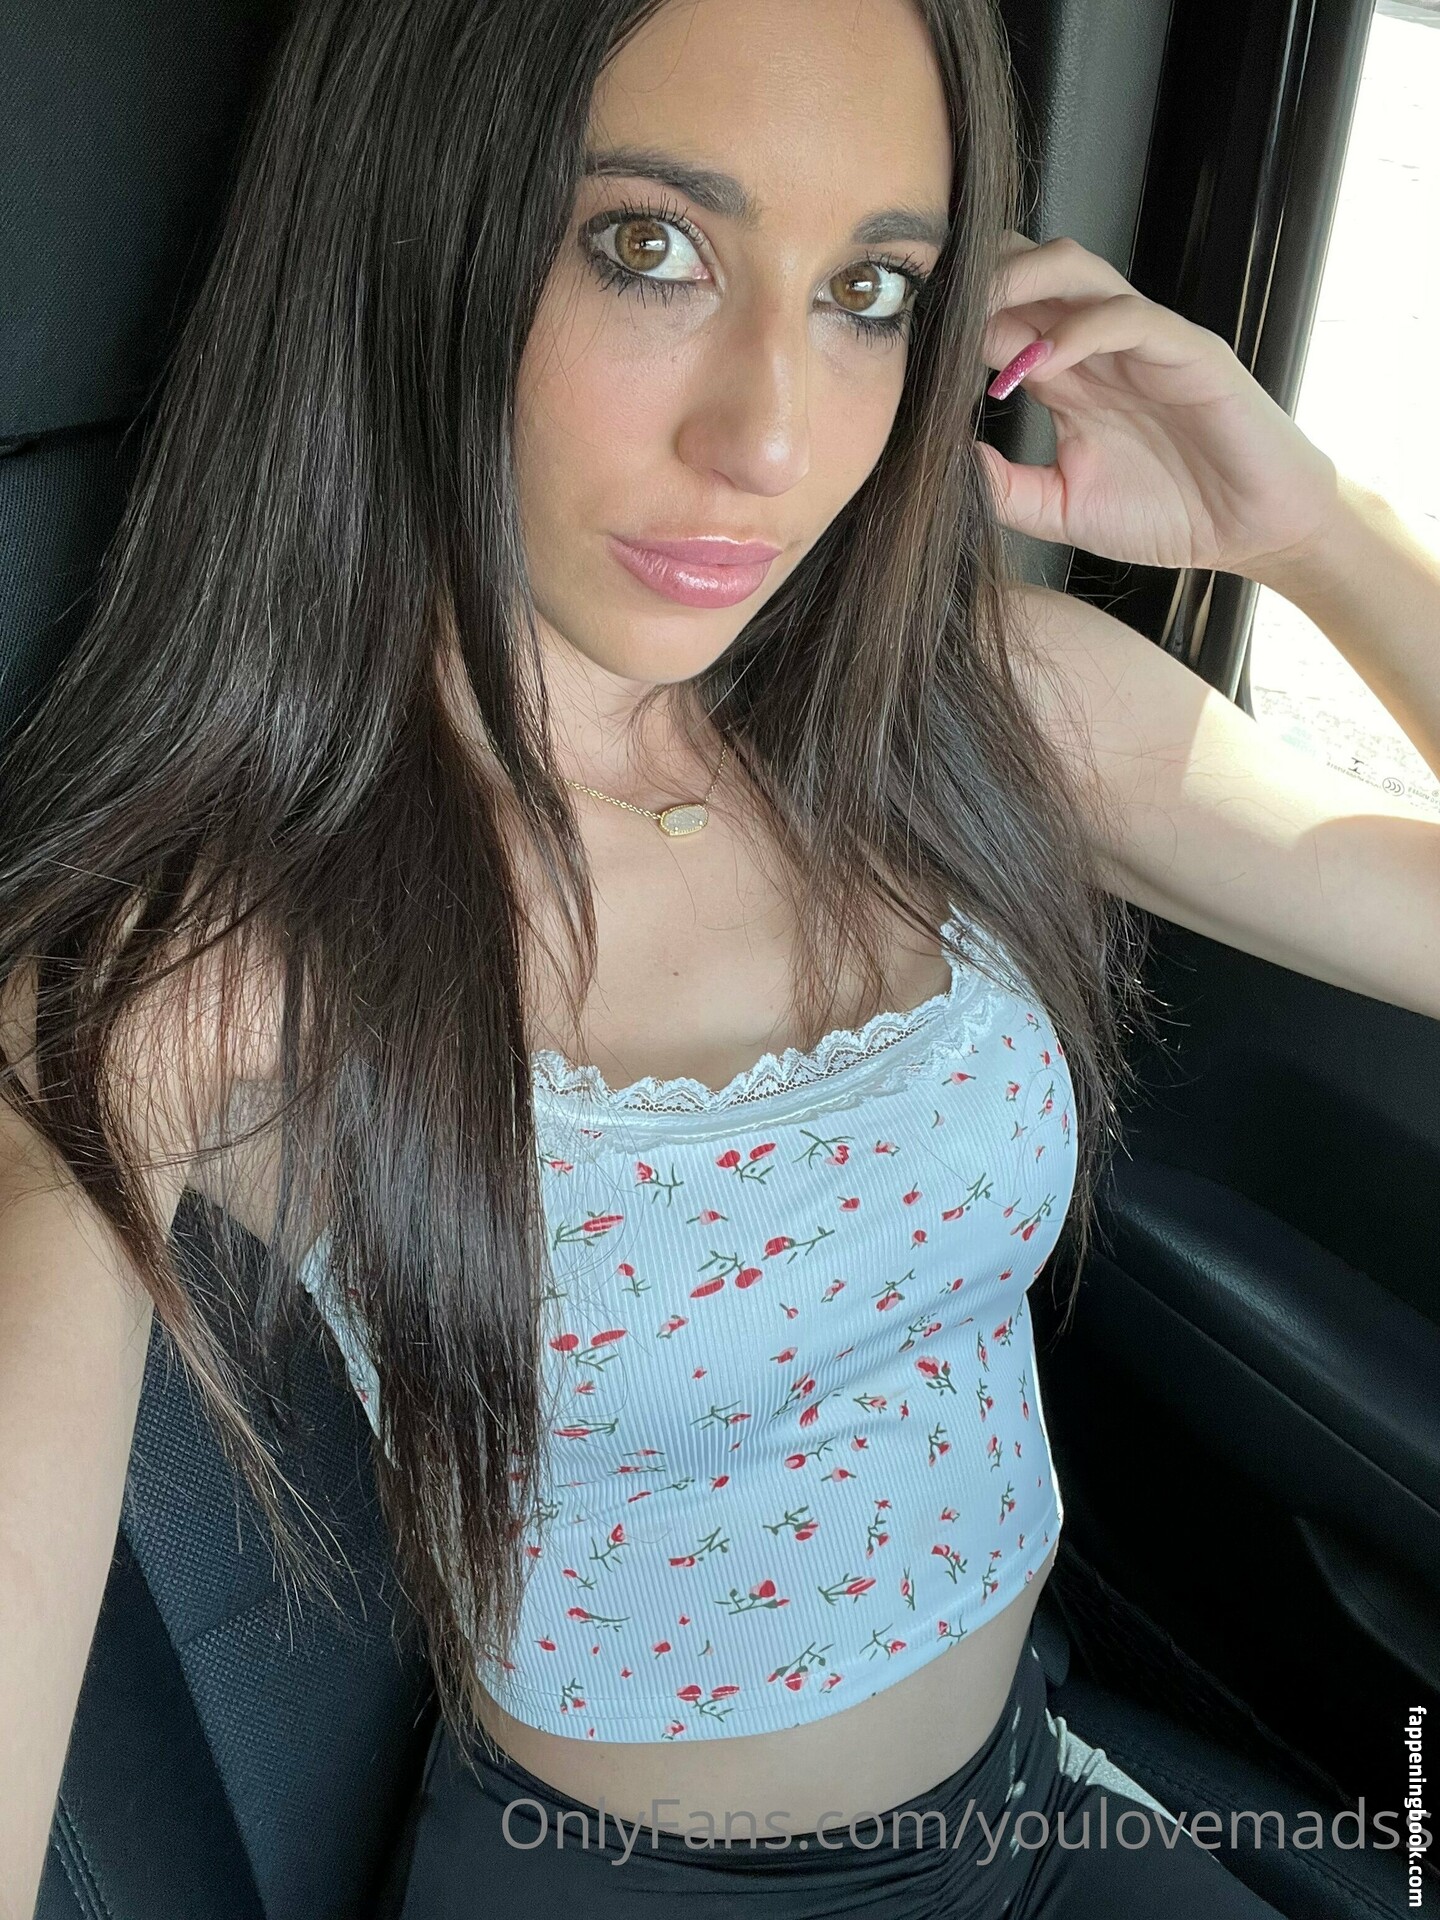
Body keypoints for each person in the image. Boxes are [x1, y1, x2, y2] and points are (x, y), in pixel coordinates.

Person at [2, 0, 1437, 1914]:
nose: (770, 439)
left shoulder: (971, 705)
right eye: (647, 246)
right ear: (416, 230)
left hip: (1034, 1806)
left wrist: (1312, 528)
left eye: (869, 291)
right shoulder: (213, 946)